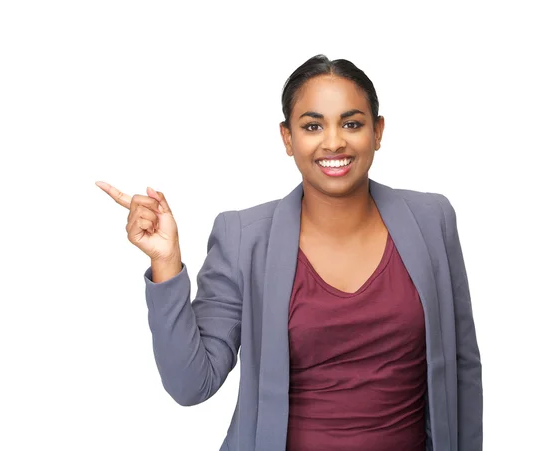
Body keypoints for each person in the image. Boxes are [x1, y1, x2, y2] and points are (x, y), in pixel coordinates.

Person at [95, 54, 483, 451]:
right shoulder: (243, 237)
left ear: (378, 132)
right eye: (313, 126)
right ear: (287, 138)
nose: (334, 141)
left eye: (352, 123)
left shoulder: (432, 220)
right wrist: (165, 263)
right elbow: (192, 384)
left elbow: (462, 366)